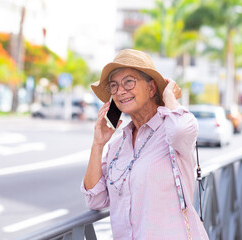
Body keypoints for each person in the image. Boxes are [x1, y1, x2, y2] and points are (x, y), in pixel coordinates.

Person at [81, 49, 209, 240]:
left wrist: (169, 97)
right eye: (114, 86)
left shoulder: (171, 129)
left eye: (129, 82)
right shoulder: (118, 145)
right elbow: (95, 199)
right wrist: (98, 144)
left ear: (151, 89)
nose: (120, 91)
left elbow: (182, 130)